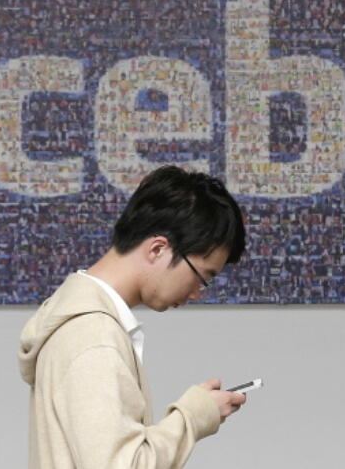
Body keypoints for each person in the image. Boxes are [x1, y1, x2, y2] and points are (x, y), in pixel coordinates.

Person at [18, 165, 249, 469]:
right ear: (157, 249)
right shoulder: (94, 338)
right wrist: (193, 416)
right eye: (202, 277)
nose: (196, 294)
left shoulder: (80, 323)